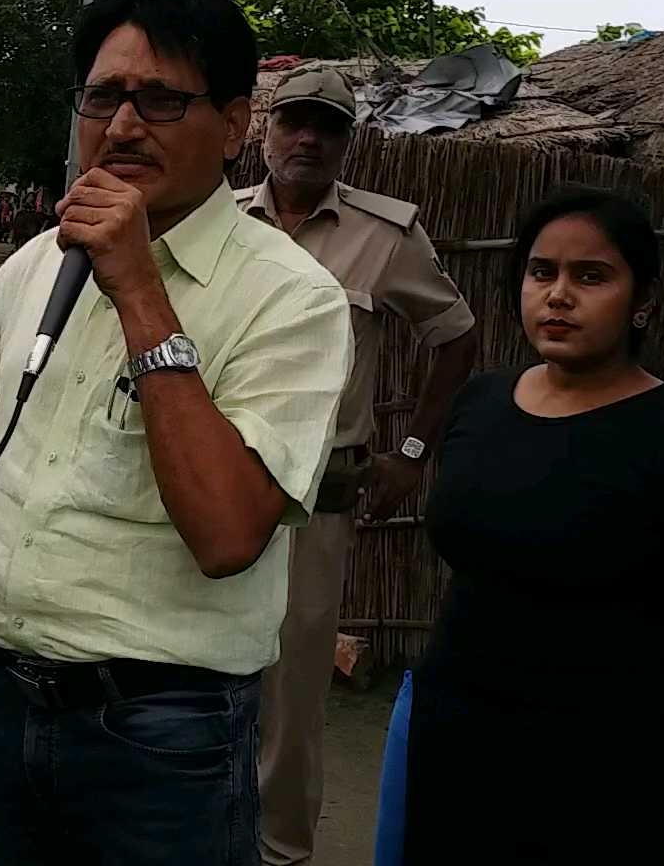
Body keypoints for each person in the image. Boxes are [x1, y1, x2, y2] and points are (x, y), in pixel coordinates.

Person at [0, 0, 352, 866]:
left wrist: (139, 290)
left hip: (167, 733)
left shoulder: (293, 299)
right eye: (103, 95)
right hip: (3, 699)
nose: (122, 125)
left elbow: (228, 533)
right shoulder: (28, 269)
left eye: (161, 100)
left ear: (236, 124)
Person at [395, 186, 664, 866]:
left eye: (591, 276)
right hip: (453, 741)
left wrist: (648, 741)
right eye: (542, 272)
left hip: (599, 777)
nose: (558, 295)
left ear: (645, 301)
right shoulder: (482, 404)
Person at [236, 65, 478, 866]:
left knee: (293, 695)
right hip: (211, 480)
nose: (307, 138)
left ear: (348, 141)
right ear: (265, 130)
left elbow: (456, 335)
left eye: (327, 126)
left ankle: (280, 852)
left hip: (316, 497)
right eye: (294, 121)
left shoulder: (387, 236)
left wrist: (412, 450)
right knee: (190, 669)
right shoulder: (216, 223)